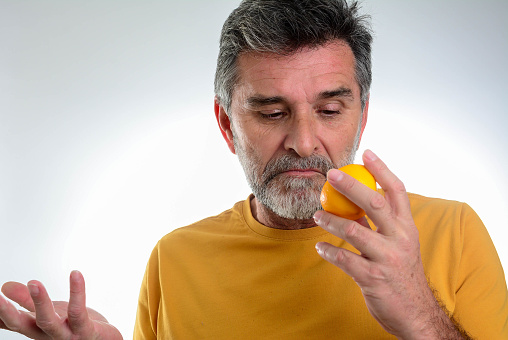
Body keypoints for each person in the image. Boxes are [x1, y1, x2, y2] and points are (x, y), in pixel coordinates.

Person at [1, 0, 507, 339]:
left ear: (362, 114)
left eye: (330, 111)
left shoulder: (452, 233)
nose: (304, 141)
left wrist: (420, 314)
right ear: (226, 125)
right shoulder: (174, 260)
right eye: (271, 112)